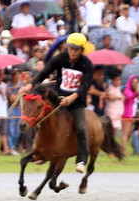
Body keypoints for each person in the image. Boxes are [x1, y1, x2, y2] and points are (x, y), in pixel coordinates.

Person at [19, 32, 94, 173]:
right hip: (57, 98)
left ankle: (82, 159)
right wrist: (30, 85)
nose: (72, 52)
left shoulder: (87, 64)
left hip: (76, 102)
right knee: (39, 117)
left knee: (81, 127)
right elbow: (43, 73)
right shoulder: (60, 58)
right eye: (70, 48)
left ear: (81, 50)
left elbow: (85, 86)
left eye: (76, 49)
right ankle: (41, 152)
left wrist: (71, 98)